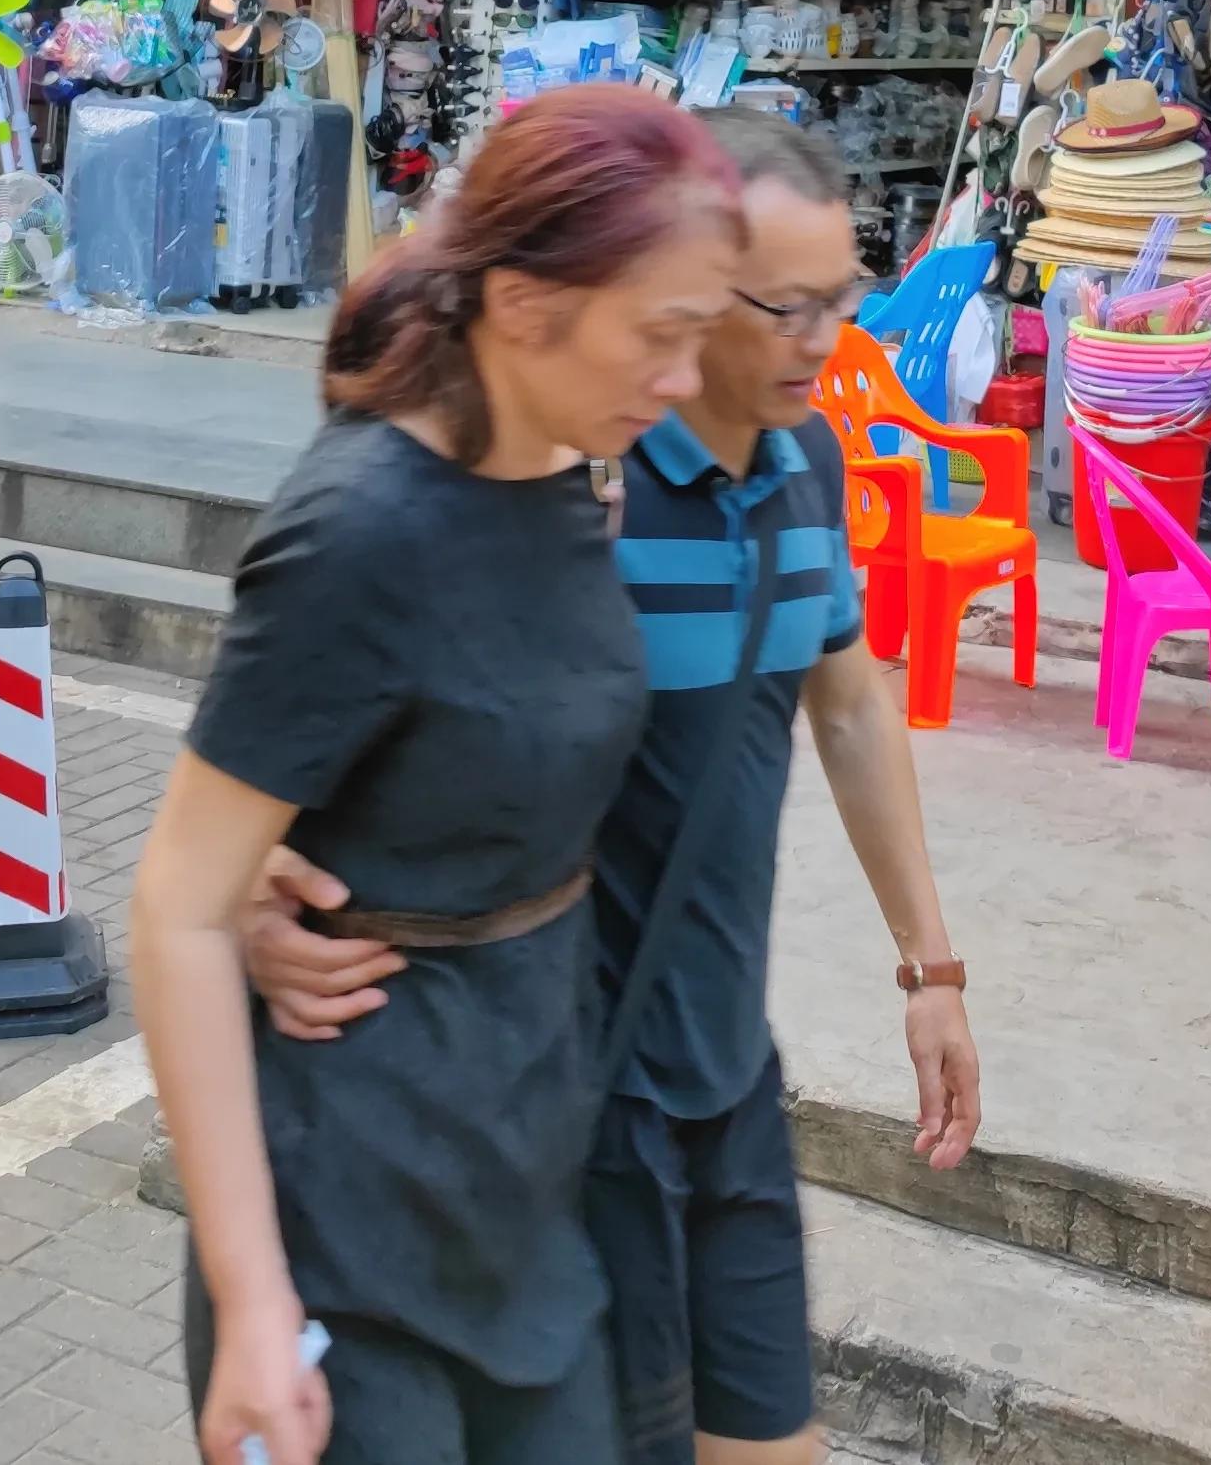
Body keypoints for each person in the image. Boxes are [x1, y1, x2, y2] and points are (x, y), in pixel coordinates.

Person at [247, 107, 984, 1465]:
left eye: (844, 301)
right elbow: (347, 695)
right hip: (580, 1092)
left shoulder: (808, 462)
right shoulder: (570, 479)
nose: (824, 343)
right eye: (784, 308)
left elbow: (854, 704)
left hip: (726, 1067)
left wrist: (928, 970)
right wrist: (254, 885)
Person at [132, 87, 746, 1465]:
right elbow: (176, 904)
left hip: (527, 1186)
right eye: (661, 333)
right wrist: (250, 1304)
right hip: (351, 1223)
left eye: (702, 334)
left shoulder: (571, 476)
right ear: (524, 304)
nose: (683, 378)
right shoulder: (359, 529)